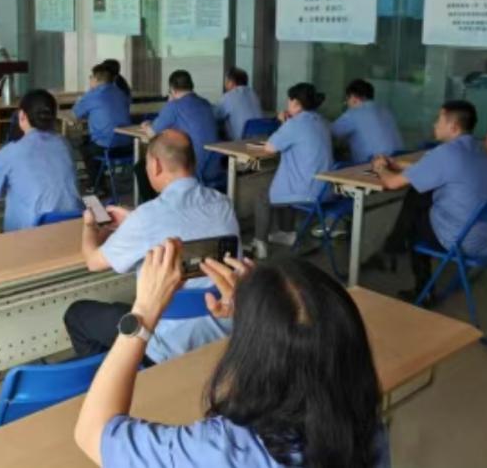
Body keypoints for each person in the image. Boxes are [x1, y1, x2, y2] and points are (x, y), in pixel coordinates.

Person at [73, 241, 388, 468]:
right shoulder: (364, 426)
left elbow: (92, 433)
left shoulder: (222, 449)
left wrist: (143, 312)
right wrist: (257, 315)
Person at [64, 129, 239, 365]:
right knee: (118, 309)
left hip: (164, 346)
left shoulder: (147, 217)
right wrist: (134, 219)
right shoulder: (223, 204)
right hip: (221, 334)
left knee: (77, 314)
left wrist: (89, 226)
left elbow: (93, 262)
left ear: (155, 165)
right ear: (192, 162)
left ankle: (116, 373)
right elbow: (182, 222)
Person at [374, 100, 487, 302]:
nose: (434, 124)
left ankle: (422, 288)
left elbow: (391, 183)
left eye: (439, 120)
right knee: (419, 195)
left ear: (453, 127)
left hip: (464, 240)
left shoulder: (447, 153)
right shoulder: (477, 147)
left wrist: (380, 168)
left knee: (414, 215)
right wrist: (399, 165)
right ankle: (393, 246)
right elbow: (436, 168)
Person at [0, 89, 81, 232]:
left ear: (22, 115)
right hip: (73, 226)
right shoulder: (64, 144)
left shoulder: (8, 153)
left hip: (31, 233)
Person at [253, 83, 333, 258]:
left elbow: (270, 147)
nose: (287, 104)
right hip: (325, 189)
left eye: (289, 100)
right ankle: (286, 233)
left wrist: (284, 122)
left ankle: (260, 243)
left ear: (296, 103)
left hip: (306, 191)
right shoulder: (322, 121)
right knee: (283, 183)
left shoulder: (295, 124)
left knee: (263, 196)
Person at [138, 70, 222, 199]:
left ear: (172, 89)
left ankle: (157, 206)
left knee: (141, 167)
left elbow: (152, 134)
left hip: (192, 168)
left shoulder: (174, 106)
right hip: (215, 167)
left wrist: (146, 125)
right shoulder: (205, 103)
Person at [73, 63, 133, 191]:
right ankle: (100, 178)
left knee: (84, 146)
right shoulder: (121, 93)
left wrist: (82, 99)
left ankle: (97, 185)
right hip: (128, 146)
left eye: (91, 77)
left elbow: (77, 112)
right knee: (93, 142)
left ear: (95, 79)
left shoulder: (93, 95)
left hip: (108, 148)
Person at [332, 79, 404, 164]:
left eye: (347, 99)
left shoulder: (354, 113)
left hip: (375, 165)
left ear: (354, 97)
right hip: (399, 161)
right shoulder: (385, 110)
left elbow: (330, 132)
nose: (346, 103)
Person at [214, 67, 262, 141]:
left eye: (226, 81)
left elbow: (214, 116)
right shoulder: (253, 94)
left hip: (240, 142)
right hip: (260, 141)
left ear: (231, 82)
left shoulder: (229, 96)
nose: (225, 84)